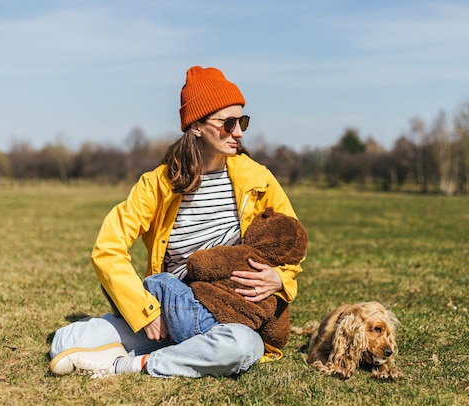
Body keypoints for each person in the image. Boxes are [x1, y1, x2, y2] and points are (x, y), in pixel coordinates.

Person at [48, 66, 305, 379]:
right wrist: (144, 312)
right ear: (196, 125)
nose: (238, 132)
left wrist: (280, 280)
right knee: (68, 340)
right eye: (228, 123)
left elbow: (291, 240)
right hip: (169, 311)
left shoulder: (259, 180)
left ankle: (135, 363)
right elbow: (108, 248)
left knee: (245, 346)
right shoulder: (158, 184)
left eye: (243, 121)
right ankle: (179, 352)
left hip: (229, 315)